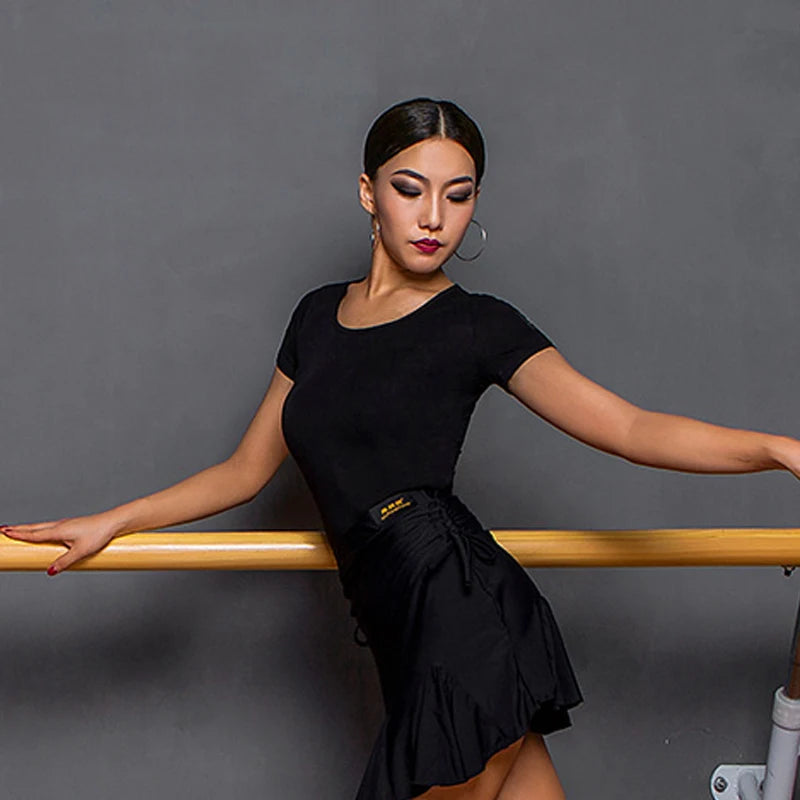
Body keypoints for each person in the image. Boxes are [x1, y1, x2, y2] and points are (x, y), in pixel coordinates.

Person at [3, 96, 799, 800]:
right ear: (369, 193)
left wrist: (779, 448)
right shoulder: (317, 318)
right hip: (402, 622)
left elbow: (627, 427)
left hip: (458, 610)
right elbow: (245, 472)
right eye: (410, 189)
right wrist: (114, 520)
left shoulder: (477, 325)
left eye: (458, 195)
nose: (433, 217)